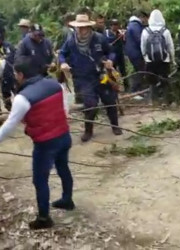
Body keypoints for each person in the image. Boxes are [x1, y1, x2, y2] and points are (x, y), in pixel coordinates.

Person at [0, 56, 75, 230]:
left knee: (40, 179)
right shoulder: (55, 84)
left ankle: (43, 218)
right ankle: (67, 200)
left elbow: (9, 125)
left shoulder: (23, 98)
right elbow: (64, 109)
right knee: (63, 168)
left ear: (20, 75)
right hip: (64, 136)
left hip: (45, 144)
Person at [59, 14, 122, 142]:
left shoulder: (99, 39)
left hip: (101, 76)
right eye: (78, 28)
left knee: (109, 100)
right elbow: (62, 53)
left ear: (89, 27)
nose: (81, 30)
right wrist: (63, 63)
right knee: (90, 104)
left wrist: (110, 60)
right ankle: (88, 130)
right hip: (83, 78)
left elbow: (111, 52)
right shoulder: (71, 41)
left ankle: (115, 126)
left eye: (83, 28)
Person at [141, 9, 175, 103]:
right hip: (164, 60)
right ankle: (165, 100)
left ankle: (152, 100)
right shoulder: (165, 31)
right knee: (164, 79)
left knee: (151, 80)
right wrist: (172, 58)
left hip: (150, 60)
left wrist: (145, 57)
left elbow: (143, 46)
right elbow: (170, 46)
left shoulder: (145, 31)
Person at [125, 10, 149, 96]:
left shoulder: (134, 25)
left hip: (133, 52)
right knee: (141, 71)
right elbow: (139, 40)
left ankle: (138, 90)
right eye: (146, 19)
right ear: (142, 17)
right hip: (135, 52)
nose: (146, 21)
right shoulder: (135, 25)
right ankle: (135, 91)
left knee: (140, 70)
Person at [105, 19, 126, 89]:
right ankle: (111, 85)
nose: (115, 26)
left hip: (119, 53)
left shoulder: (120, 33)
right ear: (110, 26)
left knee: (122, 69)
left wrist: (122, 36)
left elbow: (124, 42)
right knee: (111, 70)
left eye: (117, 25)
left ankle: (126, 84)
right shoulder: (107, 33)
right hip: (111, 55)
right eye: (114, 25)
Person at [0, 32, 16, 111]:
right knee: (5, 93)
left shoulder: (7, 46)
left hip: (10, 72)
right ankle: (8, 107)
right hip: (2, 73)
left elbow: (10, 59)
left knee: (14, 89)